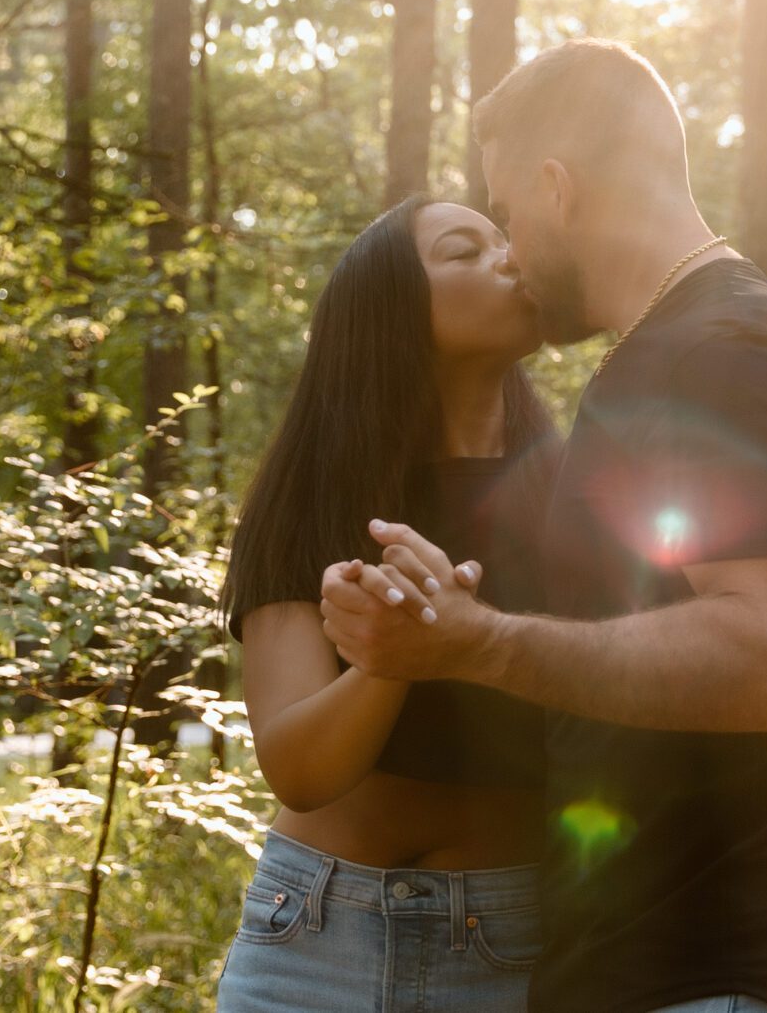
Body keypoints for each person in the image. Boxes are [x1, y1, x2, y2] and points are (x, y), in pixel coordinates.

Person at [322, 39, 767, 1013]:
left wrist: (481, 644)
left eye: (504, 211)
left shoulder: (727, 350)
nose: (507, 246)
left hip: (731, 976)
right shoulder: (664, 356)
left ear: (556, 187)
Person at [214, 196, 556, 1013]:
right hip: (313, 942)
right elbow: (298, 768)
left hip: (518, 950)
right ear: (390, 307)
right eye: (465, 250)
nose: (509, 258)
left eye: (506, 242)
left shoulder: (580, 499)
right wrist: (389, 661)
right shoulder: (311, 494)